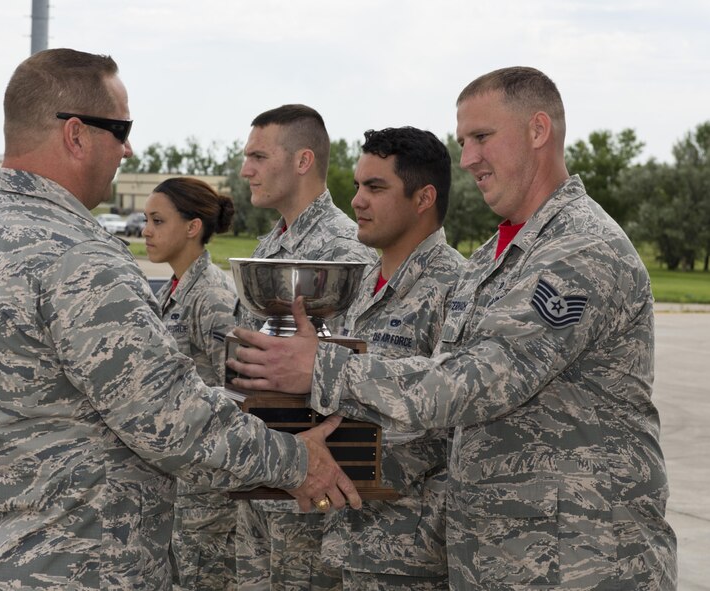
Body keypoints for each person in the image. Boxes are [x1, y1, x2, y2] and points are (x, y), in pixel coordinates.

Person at [228, 66, 677, 590]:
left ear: (538, 131)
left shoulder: (581, 250)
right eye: (463, 141)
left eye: (482, 137)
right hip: (495, 556)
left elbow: (476, 382)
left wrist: (322, 367)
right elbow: (434, 404)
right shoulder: (495, 256)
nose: (467, 160)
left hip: (581, 559)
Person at [0, 48, 361, 591]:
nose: (128, 149)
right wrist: (299, 461)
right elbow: (169, 415)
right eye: (122, 129)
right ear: (77, 134)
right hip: (76, 566)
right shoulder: (77, 258)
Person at [233, 104, 378, 591]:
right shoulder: (270, 246)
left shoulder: (347, 252)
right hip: (262, 477)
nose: (245, 169)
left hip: (315, 490)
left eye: (258, 156)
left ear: (302, 161)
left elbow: (360, 376)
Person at [319, 127, 464, 590]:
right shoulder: (361, 284)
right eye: (358, 186)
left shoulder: (457, 288)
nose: (357, 200)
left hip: (411, 555)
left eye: (375, 187)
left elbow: (452, 423)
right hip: (349, 538)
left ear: (424, 198)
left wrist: (315, 465)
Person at [142, 177, 241, 590]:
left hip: (209, 498)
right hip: (180, 487)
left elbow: (238, 393)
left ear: (192, 227)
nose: (146, 230)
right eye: (146, 219)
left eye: (157, 220)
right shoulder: (173, 289)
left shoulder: (213, 296)